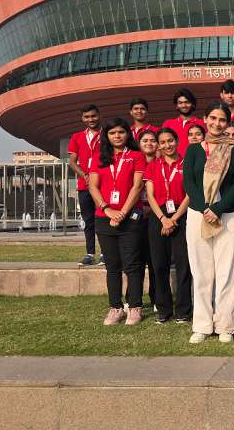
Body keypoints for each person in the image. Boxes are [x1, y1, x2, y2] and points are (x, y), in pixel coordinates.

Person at [182, 101, 234, 344]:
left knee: (227, 271)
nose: (217, 123)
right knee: (201, 272)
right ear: (205, 119)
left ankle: (225, 325)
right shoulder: (194, 150)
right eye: (213, 118)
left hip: (229, 215)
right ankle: (202, 325)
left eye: (222, 120)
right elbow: (188, 182)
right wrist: (205, 208)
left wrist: (218, 209)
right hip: (198, 215)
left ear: (227, 123)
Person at [87, 118, 146, 326]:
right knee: (112, 265)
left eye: (121, 132)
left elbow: (137, 187)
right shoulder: (98, 157)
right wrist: (107, 209)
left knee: (132, 264)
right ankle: (115, 307)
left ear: (128, 134)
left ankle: (135, 306)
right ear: (107, 136)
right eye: (112, 133)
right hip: (104, 217)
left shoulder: (137, 156)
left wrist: (121, 212)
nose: (117, 136)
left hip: (130, 218)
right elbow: (93, 186)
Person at [145, 127, 192, 324]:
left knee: (183, 265)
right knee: (159, 265)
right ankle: (163, 309)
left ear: (177, 141)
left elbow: (190, 193)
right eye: (163, 142)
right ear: (158, 145)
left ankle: (183, 310)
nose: (167, 145)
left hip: (182, 214)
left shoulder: (187, 164)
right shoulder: (152, 166)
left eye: (170, 141)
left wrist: (174, 219)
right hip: (159, 216)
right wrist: (164, 218)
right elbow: (150, 195)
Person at [67, 104, 102, 266]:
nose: (90, 119)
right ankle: (90, 254)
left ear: (99, 116)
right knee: (89, 221)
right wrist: (85, 175)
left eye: (93, 116)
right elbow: (72, 162)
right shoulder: (77, 137)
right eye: (87, 117)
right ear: (82, 118)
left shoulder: (107, 134)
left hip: (103, 185)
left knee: (103, 219)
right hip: (84, 185)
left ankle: (105, 254)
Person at [137, 130, 159, 309]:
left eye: (153, 140)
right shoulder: (135, 162)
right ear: (139, 143)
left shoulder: (161, 163)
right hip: (136, 215)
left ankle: (156, 297)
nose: (149, 143)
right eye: (145, 140)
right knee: (136, 260)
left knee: (154, 260)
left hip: (156, 214)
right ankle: (132, 298)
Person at [162, 88, 205, 156]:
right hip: (174, 161)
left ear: (192, 104)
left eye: (187, 102)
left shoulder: (202, 123)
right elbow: (161, 147)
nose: (184, 106)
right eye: (180, 103)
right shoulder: (168, 124)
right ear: (176, 105)